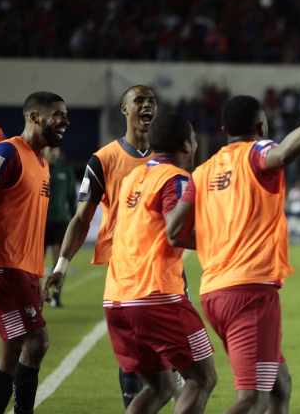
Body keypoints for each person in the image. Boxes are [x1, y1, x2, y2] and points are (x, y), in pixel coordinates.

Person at [165, 83, 300, 414]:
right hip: (250, 293)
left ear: (224, 130)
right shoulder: (257, 152)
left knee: (279, 385)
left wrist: (218, 241)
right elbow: (284, 153)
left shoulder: (203, 171)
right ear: (261, 127)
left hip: (214, 292)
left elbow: (174, 231)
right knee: (252, 399)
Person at [42, 85, 167, 409]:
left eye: (151, 101)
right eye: (139, 100)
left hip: (166, 271)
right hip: (124, 272)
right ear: (124, 110)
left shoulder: (168, 155)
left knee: (177, 361)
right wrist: (61, 266)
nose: (146, 105)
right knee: (132, 358)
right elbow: (82, 219)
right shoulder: (104, 159)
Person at [103, 112, 216, 414]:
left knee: (160, 387)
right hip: (156, 297)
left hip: (117, 299)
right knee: (202, 378)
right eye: (193, 141)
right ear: (186, 146)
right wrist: (223, 241)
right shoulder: (175, 178)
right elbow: (176, 232)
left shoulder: (133, 178)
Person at [0, 91, 69, 414]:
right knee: (37, 343)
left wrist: (36, 275)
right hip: (3, 269)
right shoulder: (7, 152)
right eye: (57, 115)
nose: (65, 122)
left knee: (10, 352)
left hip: (22, 271)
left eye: (66, 116)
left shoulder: (41, 163)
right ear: (34, 117)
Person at [41, 147, 77, 308]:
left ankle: (56, 297)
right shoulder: (39, 166)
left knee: (58, 261)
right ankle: (34, 298)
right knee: (35, 263)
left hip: (60, 221)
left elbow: (72, 197)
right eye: (50, 148)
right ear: (44, 150)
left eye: (56, 148)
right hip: (40, 222)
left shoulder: (65, 170)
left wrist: (76, 220)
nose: (54, 152)